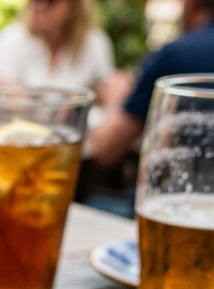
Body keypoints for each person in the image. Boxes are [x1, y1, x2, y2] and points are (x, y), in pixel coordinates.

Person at [90, 0, 214, 167]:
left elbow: (105, 149)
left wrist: (116, 96)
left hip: (189, 187)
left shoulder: (176, 56)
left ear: (190, 4)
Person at [0, 0, 115, 95]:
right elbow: (2, 94)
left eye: (51, 1)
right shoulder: (12, 39)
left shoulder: (95, 42)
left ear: (75, 6)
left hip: (77, 132)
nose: (40, 6)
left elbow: (106, 91)